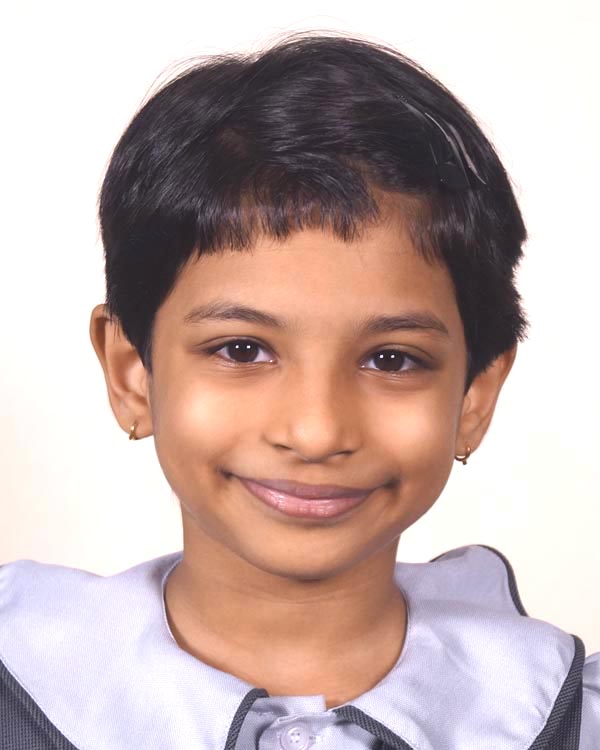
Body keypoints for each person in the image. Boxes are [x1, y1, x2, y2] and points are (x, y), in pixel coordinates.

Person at [0, 31, 597, 750]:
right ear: (132, 372)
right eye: (242, 350)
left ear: (475, 396)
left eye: (392, 360)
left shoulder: (568, 719)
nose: (316, 432)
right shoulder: (24, 689)